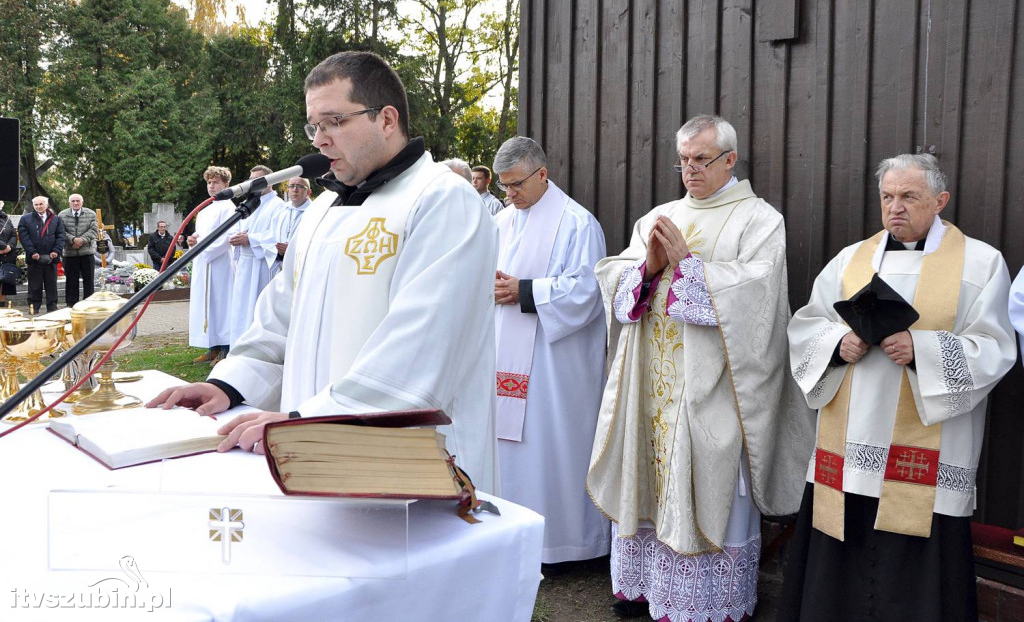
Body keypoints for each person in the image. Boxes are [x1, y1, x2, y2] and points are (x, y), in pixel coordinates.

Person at [148, 51, 499, 494]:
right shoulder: (322, 211)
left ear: (387, 119)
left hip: (412, 470)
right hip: (309, 450)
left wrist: (305, 420)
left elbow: (422, 346)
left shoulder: (442, 200)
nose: (319, 140)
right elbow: (279, 322)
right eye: (313, 125)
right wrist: (228, 385)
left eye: (334, 122)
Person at [587, 115, 813, 621]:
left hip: (711, 388)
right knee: (650, 478)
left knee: (707, 480)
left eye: (701, 159)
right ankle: (645, 588)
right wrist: (645, 268)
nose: (689, 170)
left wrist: (689, 265)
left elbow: (760, 296)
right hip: (653, 387)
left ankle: (706, 602)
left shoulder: (759, 220)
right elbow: (617, 279)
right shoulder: (660, 214)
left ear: (729, 160)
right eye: (683, 159)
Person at [781, 153, 1016, 621]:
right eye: (888, 197)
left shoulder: (981, 263)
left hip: (925, 453)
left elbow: (995, 347)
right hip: (850, 446)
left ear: (940, 200)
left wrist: (922, 351)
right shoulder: (851, 260)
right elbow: (806, 325)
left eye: (909, 196)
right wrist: (838, 342)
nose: (895, 208)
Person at [492, 136, 610, 565]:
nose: (511, 194)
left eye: (517, 184)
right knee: (511, 450)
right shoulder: (502, 222)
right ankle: (512, 539)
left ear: (542, 174)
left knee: (551, 445)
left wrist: (523, 291)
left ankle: (566, 544)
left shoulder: (577, 223)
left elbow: (587, 292)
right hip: (506, 355)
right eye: (504, 186)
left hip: (553, 368)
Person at [227, 166, 286, 344]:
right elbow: (238, 227)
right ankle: (238, 345)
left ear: (271, 182)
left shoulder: (279, 206)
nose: (252, 183)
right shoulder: (249, 204)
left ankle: (256, 346)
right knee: (241, 308)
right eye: (251, 179)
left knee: (258, 308)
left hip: (261, 265)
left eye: (257, 179)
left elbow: (277, 236)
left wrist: (250, 238)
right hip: (244, 263)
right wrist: (236, 236)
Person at [187, 167, 236, 365]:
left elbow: (226, 237)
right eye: (209, 182)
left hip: (221, 263)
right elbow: (200, 236)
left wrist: (205, 251)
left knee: (222, 304)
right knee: (206, 305)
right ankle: (212, 347)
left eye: (216, 182)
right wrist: (192, 241)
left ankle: (226, 347)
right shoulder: (205, 210)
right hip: (204, 263)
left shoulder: (229, 208)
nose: (211, 186)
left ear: (226, 184)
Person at [18, 196, 66, 314]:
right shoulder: (25, 219)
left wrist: (56, 251)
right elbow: (24, 237)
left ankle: (52, 306)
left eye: (41, 204)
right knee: (34, 285)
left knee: (51, 284)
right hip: (34, 258)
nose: (39, 206)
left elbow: (61, 236)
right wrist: (33, 252)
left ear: (46, 205)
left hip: (52, 257)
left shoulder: (56, 219)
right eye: (36, 205)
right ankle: (34, 307)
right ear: (33, 206)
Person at [57, 193, 97, 308]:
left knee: (88, 280)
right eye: (73, 201)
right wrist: (73, 239)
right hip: (70, 253)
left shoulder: (91, 214)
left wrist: (82, 240)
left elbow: (94, 230)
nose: (75, 203)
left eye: (78, 201)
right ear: (69, 203)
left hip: (87, 253)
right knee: (71, 281)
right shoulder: (62, 215)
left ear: (82, 202)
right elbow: (60, 231)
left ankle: (89, 303)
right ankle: (71, 304)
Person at [271, 177, 313, 276]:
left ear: (309, 192)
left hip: (303, 269)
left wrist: (291, 250)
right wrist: (279, 252)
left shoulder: (314, 212)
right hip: (282, 268)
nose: (295, 189)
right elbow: (271, 237)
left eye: (300, 186)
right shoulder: (281, 211)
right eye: (292, 186)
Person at [0, 202, 17, 303]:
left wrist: (9, 247)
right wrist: (3, 246)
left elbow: (14, 234)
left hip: (7, 255)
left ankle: (2, 304)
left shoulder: (6, 217)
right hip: (3, 249)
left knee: (5, 280)